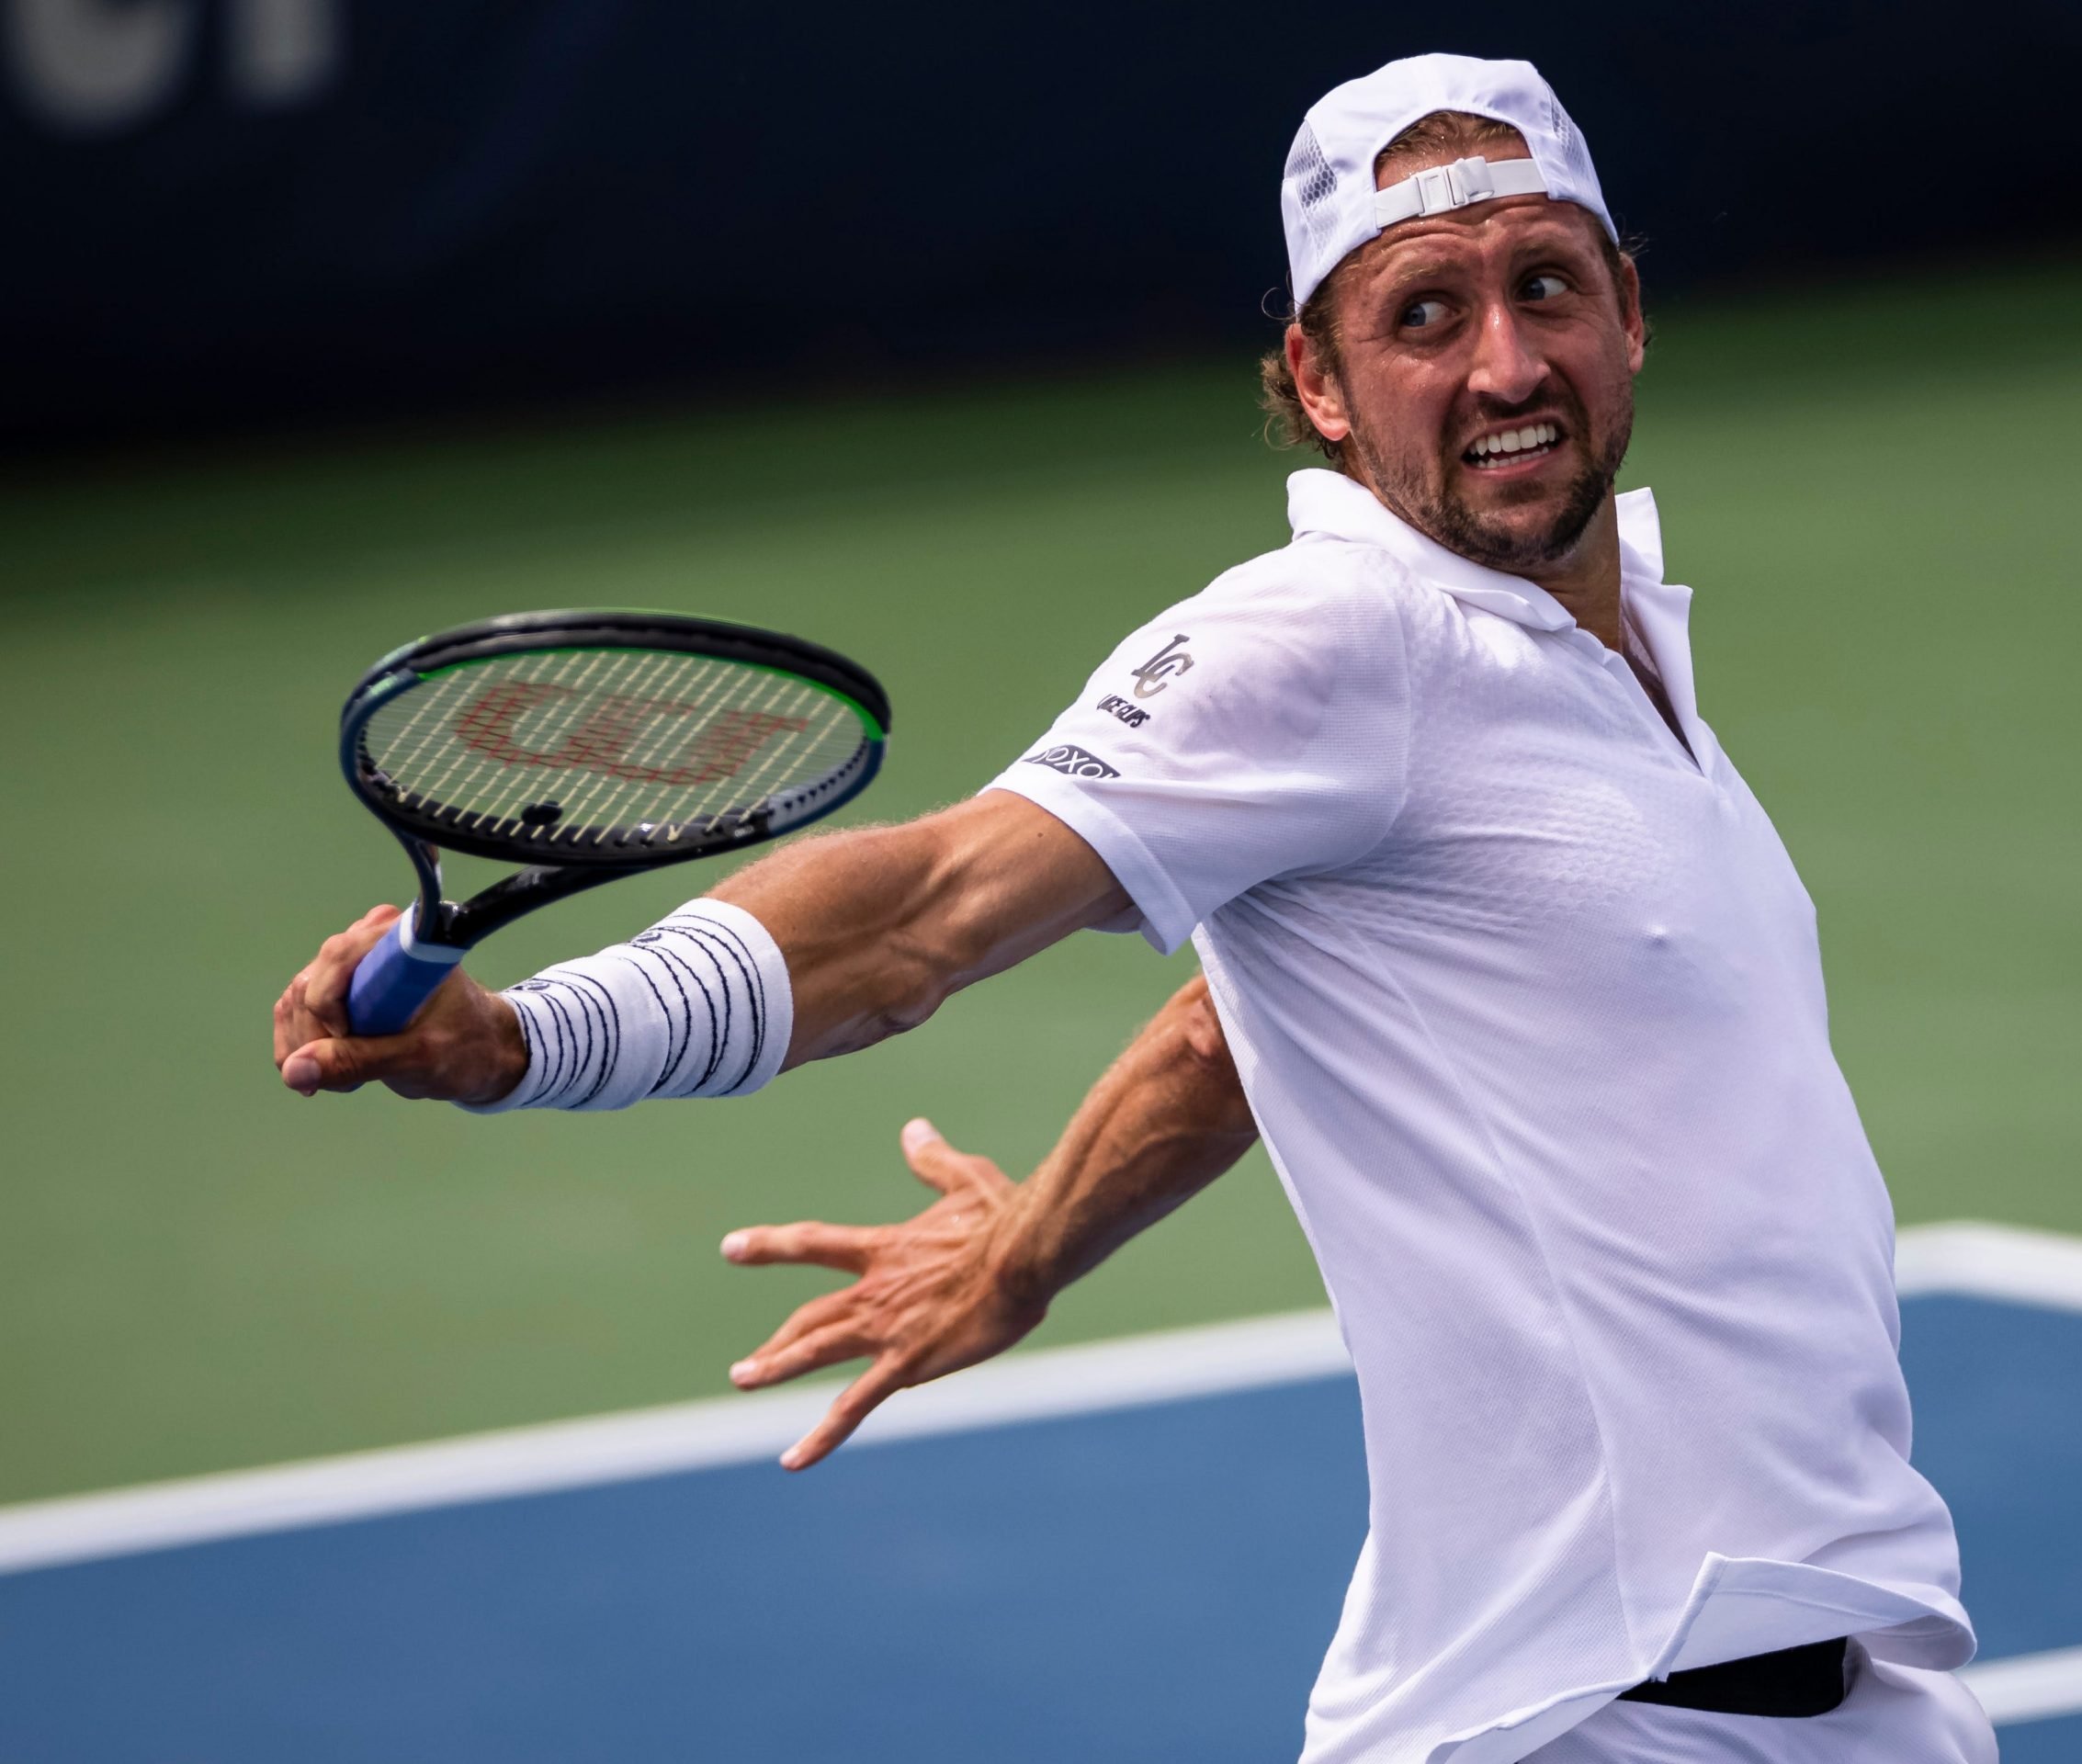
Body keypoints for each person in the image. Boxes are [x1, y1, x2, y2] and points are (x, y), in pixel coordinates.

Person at [273, 52, 1996, 1764]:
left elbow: (1243, 1029)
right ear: (1317, 384)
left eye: (1544, 286)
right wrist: (528, 1038)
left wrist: (1026, 1254)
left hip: (1832, 1702)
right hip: (1590, 1722)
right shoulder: (1340, 637)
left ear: (1627, 308)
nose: (1504, 363)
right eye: (1422, 317)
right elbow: (923, 908)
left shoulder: (1610, 667)